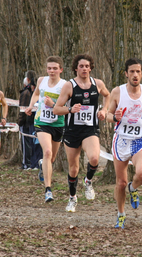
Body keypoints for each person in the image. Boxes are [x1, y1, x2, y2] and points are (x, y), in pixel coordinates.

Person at [53, 54, 110, 212]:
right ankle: (72, 198)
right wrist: (70, 109)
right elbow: (57, 109)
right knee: (73, 169)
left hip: (90, 129)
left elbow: (107, 95)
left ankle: (88, 181)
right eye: (81, 66)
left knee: (94, 157)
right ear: (76, 68)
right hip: (72, 131)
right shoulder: (69, 86)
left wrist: (104, 110)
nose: (84, 69)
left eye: (87, 66)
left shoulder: (97, 84)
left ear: (90, 68)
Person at [107, 58, 142, 229]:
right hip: (121, 141)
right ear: (126, 73)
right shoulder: (117, 92)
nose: (135, 75)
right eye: (131, 71)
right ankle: (121, 215)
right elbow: (107, 114)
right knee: (120, 183)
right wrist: (114, 117)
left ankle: (133, 188)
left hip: (139, 140)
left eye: (138, 72)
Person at [25, 56, 66, 203]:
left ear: (60, 69)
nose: (52, 71)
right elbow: (36, 94)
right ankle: (48, 190)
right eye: (49, 68)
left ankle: (43, 165)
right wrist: (31, 106)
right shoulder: (42, 80)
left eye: (55, 68)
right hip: (41, 122)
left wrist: (53, 103)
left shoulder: (65, 85)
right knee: (47, 152)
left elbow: (67, 106)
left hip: (58, 124)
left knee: (51, 158)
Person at [18, 72, 38, 170]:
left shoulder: (26, 93)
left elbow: (23, 110)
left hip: (27, 123)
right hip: (29, 122)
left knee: (28, 145)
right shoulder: (29, 92)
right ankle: (30, 163)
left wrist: (20, 122)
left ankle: (27, 164)